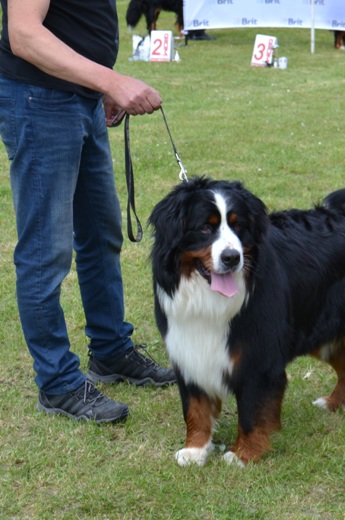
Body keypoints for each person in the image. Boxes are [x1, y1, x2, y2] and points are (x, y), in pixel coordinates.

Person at [0, 0, 176, 424]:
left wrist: (97, 88)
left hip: (80, 97)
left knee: (101, 233)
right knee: (47, 250)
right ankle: (58, 382)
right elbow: (23, 34)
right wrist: (111, 80)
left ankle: (111, 350)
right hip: (40, 99)